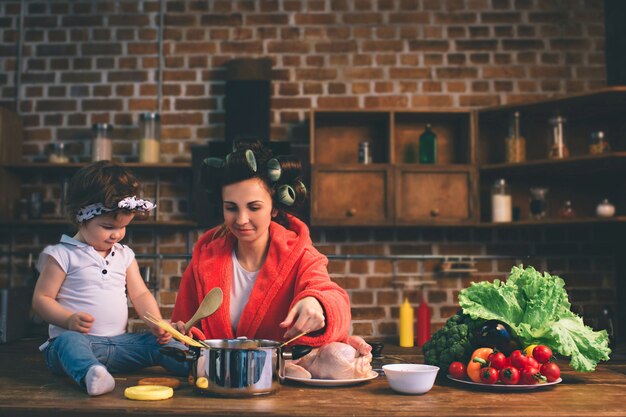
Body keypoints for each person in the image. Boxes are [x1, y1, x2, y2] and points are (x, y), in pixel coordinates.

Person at [32, 161, 188, 396]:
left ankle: (194, 365)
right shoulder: (62, 255)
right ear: (80, 217)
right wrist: (68, 319)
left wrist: (157, 323)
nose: (116, 234)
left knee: (161, 344)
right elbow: (41, 299)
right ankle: (90, 374)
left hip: (119, 345)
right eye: (107, 226)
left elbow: (141, 294)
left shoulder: (124, 255)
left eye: (124, 227)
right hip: (76, 344)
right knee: (68, 343)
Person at [172, 141, 351, 345]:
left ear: (274, 208)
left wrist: (317, 302)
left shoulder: (301, 257)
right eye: (231, 208)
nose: (241, 219)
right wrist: (179, 335)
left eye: (254, 207)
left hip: (279, 375)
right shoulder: (203, 261)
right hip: (214, 375)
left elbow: (335, 301)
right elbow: (183, 329)